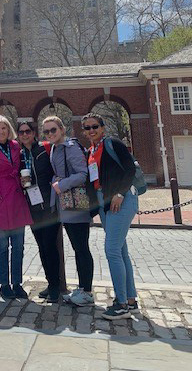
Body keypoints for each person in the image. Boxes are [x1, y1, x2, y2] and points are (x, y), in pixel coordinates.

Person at [82, 113, 139, 320]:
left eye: (95, 126)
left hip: (120, 200)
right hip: (106, 203)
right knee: (121, 251)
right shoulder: (91, 150)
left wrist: (120, 193)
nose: (91, 130)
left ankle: (121, 303)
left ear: (103, 127)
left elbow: (130, 168)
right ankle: (131, 300)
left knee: (112, 250)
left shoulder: (112, 143)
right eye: (87, 128)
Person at [0, 115, 32, 300]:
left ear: (9, 129)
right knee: (2, 246)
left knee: (18, 246)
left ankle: (17, 283)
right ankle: (4, 284)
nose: (1, 132)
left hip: (16, 199)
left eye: (4, 128)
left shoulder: (16, 146)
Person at [44, 115, 94, 307]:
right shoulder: (55, 148)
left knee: (81, 248)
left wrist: (61, 185)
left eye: (53, 130)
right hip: (65, 203)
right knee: (77, 247)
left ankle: (87, 291)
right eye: (47, 131)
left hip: (75, 204)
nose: (50, 134)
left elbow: (82, 174)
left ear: (62, 130)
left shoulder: (70, 148)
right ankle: (82, 289)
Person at [18, 120, 61, 303]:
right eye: (21, 133)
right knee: (42, 247)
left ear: (34, 133)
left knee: (50, 247)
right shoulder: (21, 155)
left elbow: (57, 171)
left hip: (49, 207)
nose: (25, 135)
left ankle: (55, 287)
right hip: (33, 207)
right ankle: (50, 283)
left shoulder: (45, 149)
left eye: (28, 131)